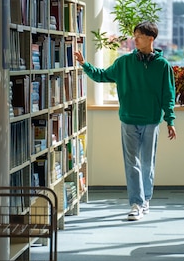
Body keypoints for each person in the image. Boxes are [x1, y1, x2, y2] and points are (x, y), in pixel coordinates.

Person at [75, 20, 177, 220]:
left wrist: (170, 121)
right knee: (132, 163)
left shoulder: (163, 66)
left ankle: (146, 198)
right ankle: (136, 204)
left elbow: (168, 95)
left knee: (147, 163)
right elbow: (102, 76)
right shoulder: (124, 63)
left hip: (151, 121)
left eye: (139, 36)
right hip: (129, 119)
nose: (135, 40)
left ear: (151, 38)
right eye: (134, 35)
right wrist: (84, 64)